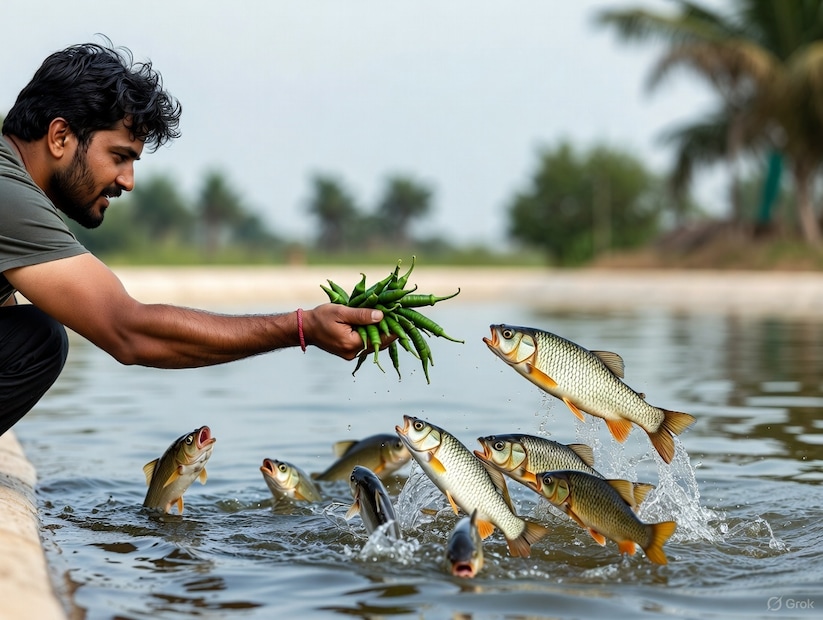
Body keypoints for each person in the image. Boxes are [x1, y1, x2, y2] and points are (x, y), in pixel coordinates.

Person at [0, 40, 387, 437]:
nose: (128, 181)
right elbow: (127, 330)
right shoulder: (8, 195)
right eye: (119, 157)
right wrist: (301, 327)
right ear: (60, 136)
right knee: (40, 340)